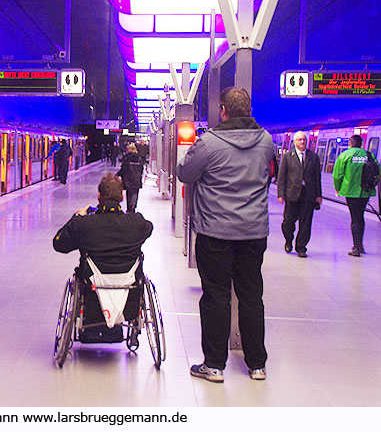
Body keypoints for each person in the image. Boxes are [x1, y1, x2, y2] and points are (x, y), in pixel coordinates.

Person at [176, 87, 273, 383]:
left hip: (215, 232)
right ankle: (257, 364)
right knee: (251, 296)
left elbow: (185, 174)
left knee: (216, 296)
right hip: (254, 233)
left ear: (223, 110)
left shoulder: (209, 143)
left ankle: (215, 365)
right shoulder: (266, 140)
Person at [53, 173, 153, 341]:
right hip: (129, 291)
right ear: (122, 196)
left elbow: (59, 244)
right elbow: (148, 228)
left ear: (99, 196)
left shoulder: (84, 225)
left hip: (92, 288)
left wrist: (76, 217)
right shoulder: (136, 223)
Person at [277, 131, 322, 258]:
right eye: (300, 140)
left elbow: (317, 178)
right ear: (294, 142)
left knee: (306, 222)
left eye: (304, 140)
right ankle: (288, 240)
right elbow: (282, 176)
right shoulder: (287, 157)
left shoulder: (313, 157)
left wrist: (319, 195)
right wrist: (281, 193)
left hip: (308, 195)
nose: (302, 142)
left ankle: (301, 247)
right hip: (292, 194)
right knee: (288, 222)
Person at [333, 134, 378, 256]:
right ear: (361, 144)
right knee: (360, 216)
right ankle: (360, 244)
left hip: (350, 191)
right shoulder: (369, 155)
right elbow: (377, 170)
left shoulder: (344, 155)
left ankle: (356, 247)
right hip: (365, 192)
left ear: (350, 144)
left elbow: (337, 175)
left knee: (355, 218)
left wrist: (338, 188)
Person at [117, 143, 143, 213]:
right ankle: (133, 205)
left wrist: (118, 174)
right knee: (135, 192)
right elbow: (141, 169)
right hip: (137, 178)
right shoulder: (139, 158)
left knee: (129, 193)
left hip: (128, 179)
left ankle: (129, 208)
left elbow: (124, 169)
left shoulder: (127, 158)